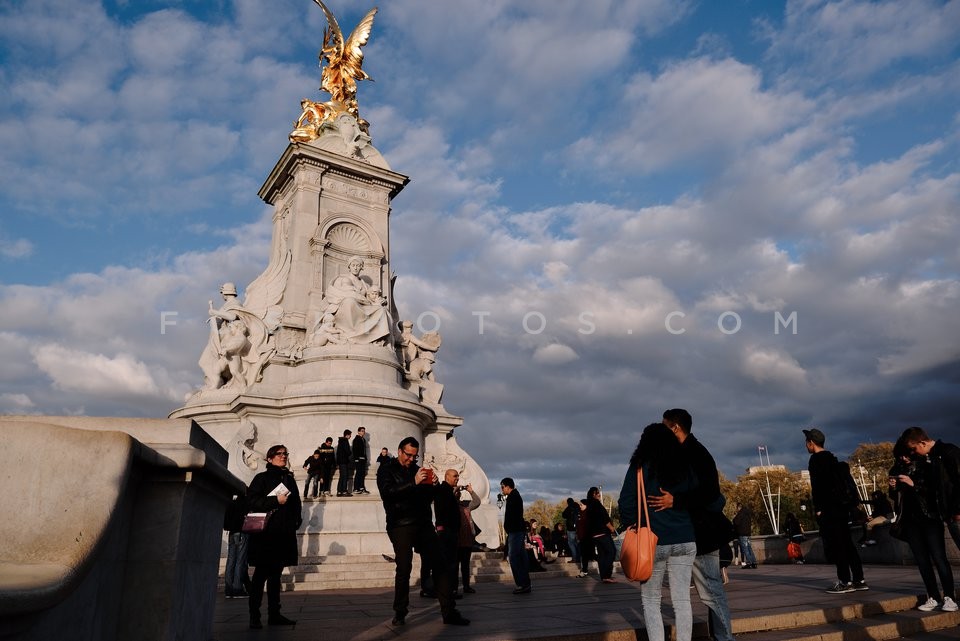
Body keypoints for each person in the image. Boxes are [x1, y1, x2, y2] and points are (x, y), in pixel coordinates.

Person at [651, 408, 736, 641]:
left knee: (711, 591)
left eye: (664, 425)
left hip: (703, 533)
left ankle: (725, 638)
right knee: (708, 592)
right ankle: (720, 636)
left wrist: (675, 500)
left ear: (675, 427)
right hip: (694, 532)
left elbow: (710, 492)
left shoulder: (696, 453)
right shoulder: (687, 452)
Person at [377, 437, 469, 626]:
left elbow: (429, 498)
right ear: (400, 451)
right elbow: (388, 493)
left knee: (441, 564)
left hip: (423, 523)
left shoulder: (418, 470)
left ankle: (449, 611)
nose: (411, 459)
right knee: (404, 567)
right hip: (400, 524)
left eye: (414, 456)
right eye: (408, 455)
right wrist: (414, 482)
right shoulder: (386, 468)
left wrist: (433, 484)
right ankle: (400, 612)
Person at [619, 423, 698, 641]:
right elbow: (698, 497)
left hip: (654, 541)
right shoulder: (685, 464)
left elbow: (625, 502)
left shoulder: (640, 467)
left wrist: (634, 523)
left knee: (651, 600)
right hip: (685, 538)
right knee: (682, 600)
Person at [891, 435, 958, 612]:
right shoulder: (898, 469)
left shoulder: (927, 465)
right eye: (900, 457)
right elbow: (895, 499)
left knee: (939, 558)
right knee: (922, 561)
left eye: (906, 455)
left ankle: (950, 596)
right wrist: (893, 487)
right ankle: (933, 596)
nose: (904, 459)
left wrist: (914, 485)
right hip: (910, 520)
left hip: (930, 518)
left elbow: (935, 492)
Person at [804, 428, 867, 594]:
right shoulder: (832, 458)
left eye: (807, 443)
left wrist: (818, 509)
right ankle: (859, 579)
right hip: (842, 508)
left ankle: (844, 581)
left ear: (811, 443)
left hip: (829, 509)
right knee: (847, 543)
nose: (806, 446)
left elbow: (818, 487)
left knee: (837, 545)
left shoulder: (815, 461)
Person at [246, 445, 302, 628]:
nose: (284, 456)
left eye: (286, 453)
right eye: (280, 454)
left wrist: (296, 519)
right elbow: (252, 501)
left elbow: (296, 502)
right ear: (269, 459)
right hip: (265, 534)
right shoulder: (261, 478)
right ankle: (254, 616)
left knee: (276, 576)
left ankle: (274, 614)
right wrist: (274, 501)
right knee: (260, 576)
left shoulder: (289, 478)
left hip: (283, 534)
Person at [901, 426, 960, 554]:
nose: (912, 453)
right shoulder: (932, 458)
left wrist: (957, 512)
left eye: (913, 449)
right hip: (951, 515)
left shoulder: (948, 452)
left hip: (956, 514)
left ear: (922, 443)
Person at [323, 256, 392, 344]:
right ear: (349, 266)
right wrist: (361, 299)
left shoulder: (365, 285)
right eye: (353, 265)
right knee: (350, 301)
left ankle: (374, 338)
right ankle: (351, 334)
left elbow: (370, 299)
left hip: (362, 308)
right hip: (345, 307)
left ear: (361, 267)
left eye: (358, 265)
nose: (355, 268)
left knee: (381, 310)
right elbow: (344, 294)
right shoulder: (342, 279)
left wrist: (379, 301)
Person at [434, 469, 463, 600]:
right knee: (450, 563)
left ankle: (450, 589)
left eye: (458, 476)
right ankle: (449, 590)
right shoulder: (444, 490)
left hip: (448, 531)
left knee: (450, 562)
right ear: (447, 477)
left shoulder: (447, 491)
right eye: (455, 476)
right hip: (448, 532)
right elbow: (445, 512)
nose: (457, 478)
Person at [500, 478, 531, 594]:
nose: (502, 489)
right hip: (516, 531)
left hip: (515, 531)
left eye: (502, 487)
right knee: (520, 557)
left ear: (508, 486)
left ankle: (522, 584)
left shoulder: (514, 497)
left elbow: (513, 516)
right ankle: (525, 584)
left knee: (514, 558)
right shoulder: (514, 496)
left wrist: (508, 527)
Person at [584, 487, 618, 583]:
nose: (598, 494)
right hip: (603, 532)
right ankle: (607, 574)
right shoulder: (596, 504)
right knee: (611, 552)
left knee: (602, 555)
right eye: (597, 493)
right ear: (593, 495)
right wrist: (611, 527)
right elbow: (604, 517)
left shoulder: (589, 506)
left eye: (598, 493)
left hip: (595, 535)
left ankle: (604, 576)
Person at [223, 491, 250, 599]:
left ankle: (228, 589)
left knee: (231, 560)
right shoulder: (246, 504)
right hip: (242, 532)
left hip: (232, 533)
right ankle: (237, 588)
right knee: (240, 560)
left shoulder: (232, 503)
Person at [457, 482, 482, 594]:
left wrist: (471, 491)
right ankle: (454, 588)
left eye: (458, 492)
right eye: (456, 491)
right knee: (454, 565)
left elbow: (477, 502)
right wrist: (454, 490)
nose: (457, 493)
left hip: (467, 539)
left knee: (465, 565)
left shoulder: (465, 505)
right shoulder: (450, 504)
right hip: (456, 540)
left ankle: (466, 586)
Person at [562, 498, 581, 565]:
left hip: (571, 529)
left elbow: (563, 515)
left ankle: (575, 558)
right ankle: (579, 557)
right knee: (576, 543)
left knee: (571, 543)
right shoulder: (578, 507)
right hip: (578, 528)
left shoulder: (569, 507)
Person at [352, 426, 370, 494]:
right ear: (358, 432)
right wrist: (356, 459)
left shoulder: (363, 440)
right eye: (362, 431)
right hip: (358, 460)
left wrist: (365, 458)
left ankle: (361, 488)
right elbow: (354, 450)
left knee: (362, 474)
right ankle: (356, 488)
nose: (363, 432)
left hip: (363, 460)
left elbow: (364, 451)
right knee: (358, 473)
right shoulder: (356, 439)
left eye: (364, 431)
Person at [336, 429, 353, 496]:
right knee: (345, 476)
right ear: (347, 435)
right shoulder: (345, 441)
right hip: (344, 462)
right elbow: (348, 451)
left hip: (341, 462)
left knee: (342, 476)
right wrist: (350, 452)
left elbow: (338, 453)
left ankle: (339, 491)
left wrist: (337, 462)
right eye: (350, 435)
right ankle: (344, 491)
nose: (350, 436)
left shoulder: (340, 441)